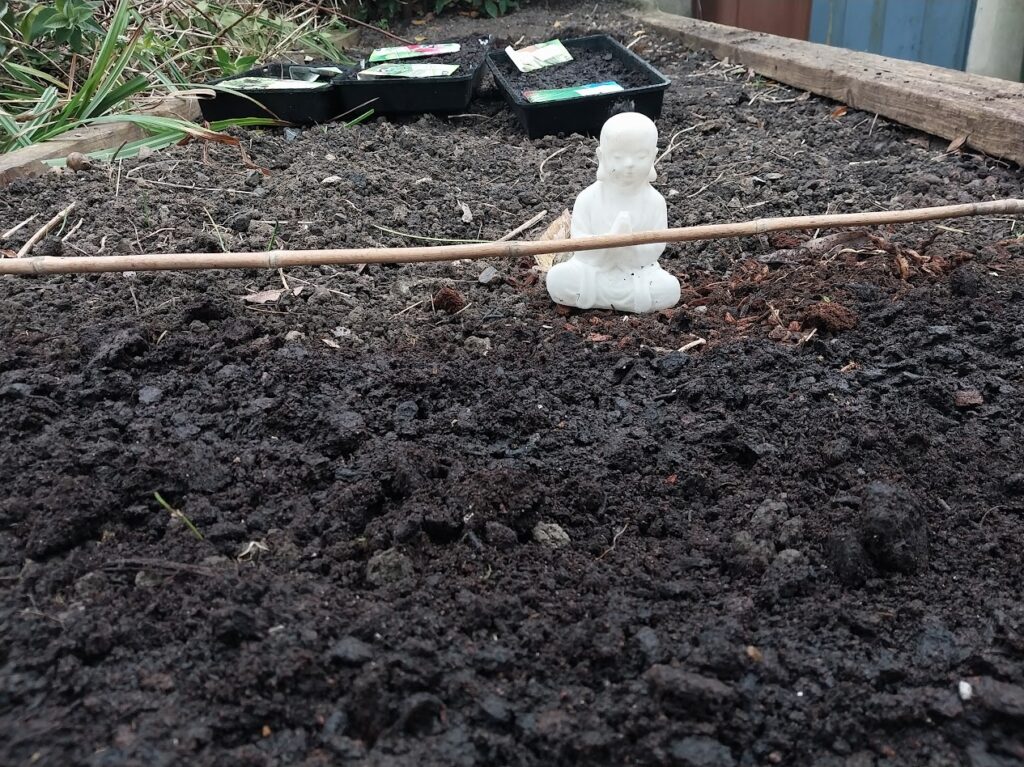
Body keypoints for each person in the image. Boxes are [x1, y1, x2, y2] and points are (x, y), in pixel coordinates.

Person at [545, 112, 680, 313]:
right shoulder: (588, 198)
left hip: (638, 273)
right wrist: (610, 241)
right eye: (618, 157)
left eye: (641, 156)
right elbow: (579, 245)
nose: (629, 165)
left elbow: (655, 247)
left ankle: (606, 300)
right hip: (593, 271)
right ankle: (625, 303)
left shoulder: (654, 202)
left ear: (653, 156)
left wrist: (628, 247)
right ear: (602, 156)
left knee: (668, 289)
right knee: (558, 279)